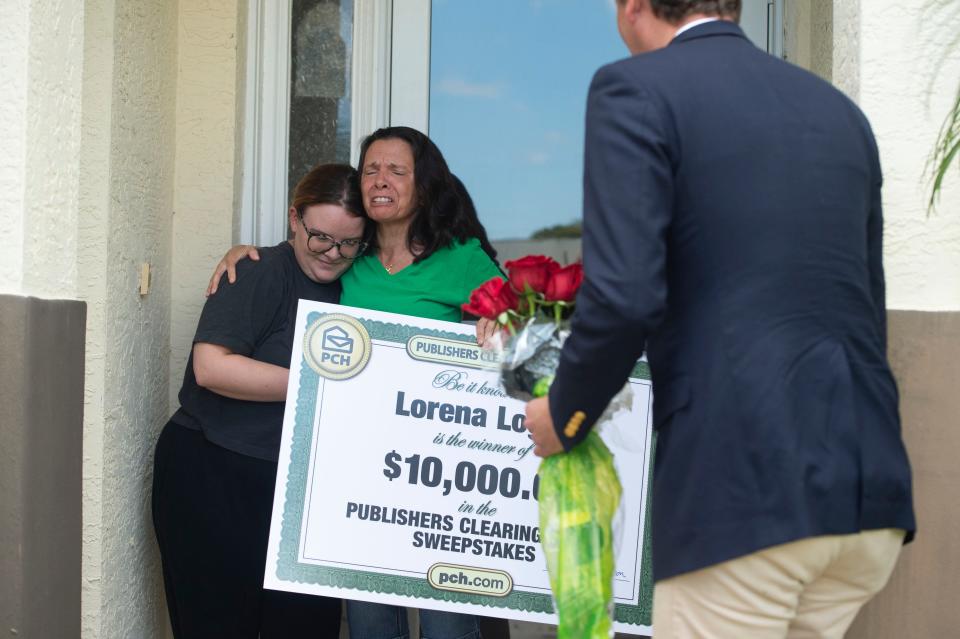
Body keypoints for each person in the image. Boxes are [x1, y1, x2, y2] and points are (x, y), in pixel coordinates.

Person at [519, 1, 916, 636]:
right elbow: (865, 302)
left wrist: (566, 413)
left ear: (633, 8)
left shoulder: (634, 88)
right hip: (866, 490)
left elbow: (624, 295)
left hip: (743, 486)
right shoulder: (839, 111)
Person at [210, 126, 507, 639]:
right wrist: (242, 252)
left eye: (396, 170)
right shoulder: (351, 255)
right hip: (361, 468)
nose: (380, 180)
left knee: (446, 624)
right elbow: (299, 258)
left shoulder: (460, 257)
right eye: (371, 169)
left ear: (424, 184)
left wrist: (502, 320)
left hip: (438, 471)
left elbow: (520, 330)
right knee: (370, 622)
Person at [152, 163, 370, 639]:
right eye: (320, 237)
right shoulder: (259, 270)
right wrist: (321, 380)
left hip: (299, 490)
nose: (333, 253)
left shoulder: (358, 285)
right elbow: (212, 367)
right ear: (294, 218)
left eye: (349, 243)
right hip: (214, 474)